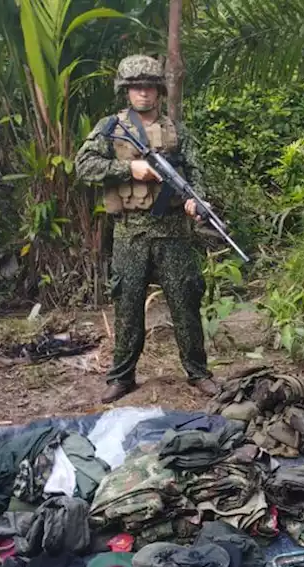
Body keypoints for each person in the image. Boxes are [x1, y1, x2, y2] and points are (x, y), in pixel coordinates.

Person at [76, 55, 221, 403]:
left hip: (172, 230)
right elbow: (83, 165)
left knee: (185, 300)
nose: (143, 92)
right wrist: (130, 169)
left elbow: (196, 172)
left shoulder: (177, 131)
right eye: (135, 86)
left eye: (149, 86)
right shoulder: (111, 127)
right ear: (126, 91)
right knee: (127, 304)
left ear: (158, 90)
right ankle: (122, 376)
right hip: (130, 232)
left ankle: (198, 372)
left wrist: (196, 202)